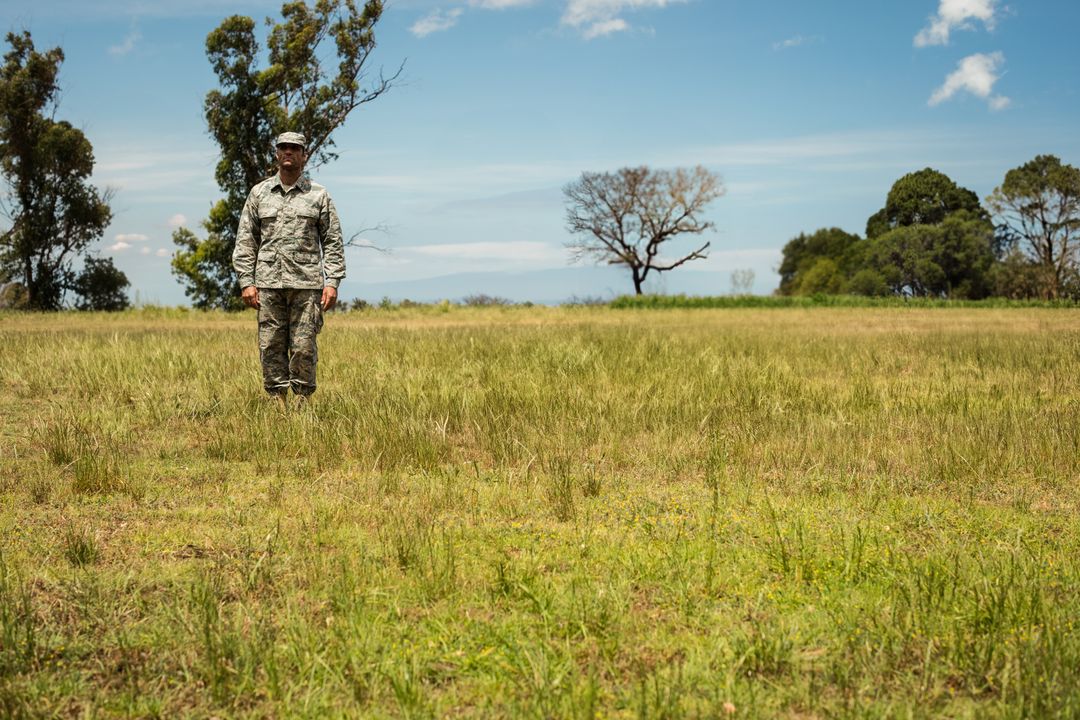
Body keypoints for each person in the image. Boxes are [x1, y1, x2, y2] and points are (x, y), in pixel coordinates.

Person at [232, 131, 345, 407]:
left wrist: (332, 282)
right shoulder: (259, 194)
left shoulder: (319, 195)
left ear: (304, 155)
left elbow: (332, 240)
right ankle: (276, 403)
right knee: (270, 345)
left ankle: (302, 402)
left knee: (304, 346)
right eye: (283, 147)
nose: (289, 153)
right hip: (268, 284)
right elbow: (246, 240)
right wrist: (247, 281)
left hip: (307, 285)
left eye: (295, 148)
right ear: (276, 154)